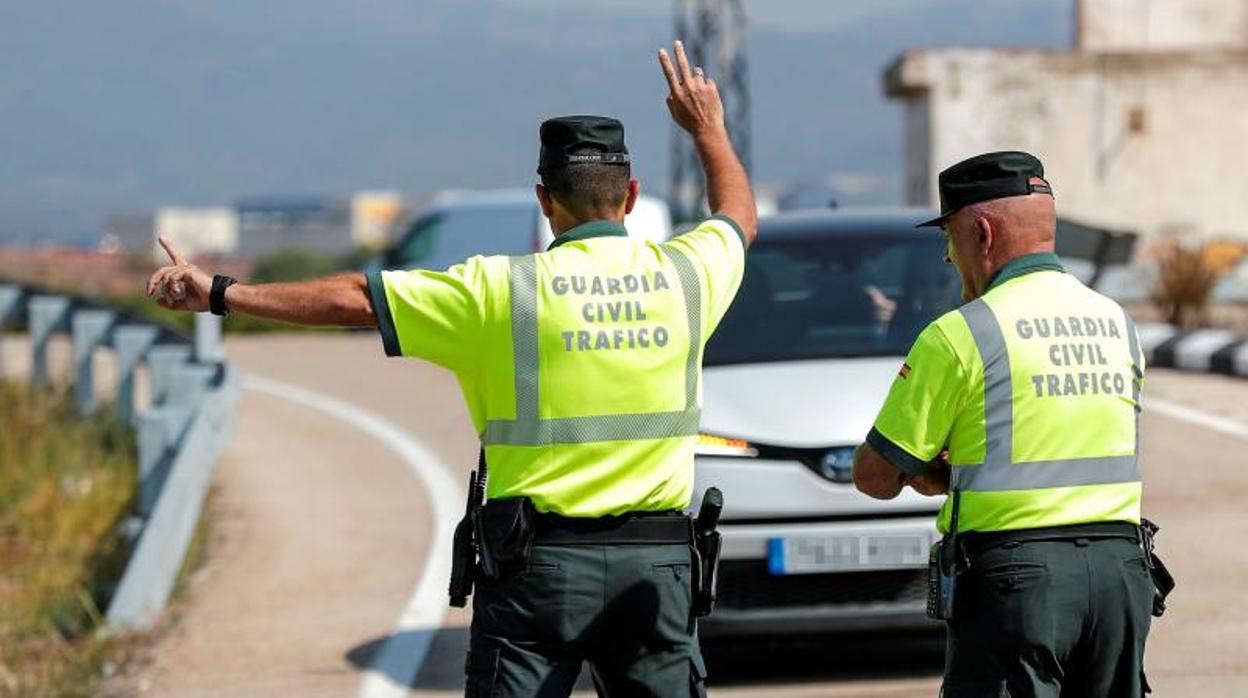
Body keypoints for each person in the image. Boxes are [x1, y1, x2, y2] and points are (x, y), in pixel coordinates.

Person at [146, 40, 756, 698]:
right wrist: (709, 129)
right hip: (656, 571)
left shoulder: (497, 291)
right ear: (631, 196)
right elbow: (737, 219)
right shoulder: (690, 275)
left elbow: (356, 298)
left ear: (543, 199)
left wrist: (218, 292)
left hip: (538, 572)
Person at [850, 152, 1155, 696]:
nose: (948, 257)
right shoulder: (1119, 324)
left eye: (950, 237)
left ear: (982, 233)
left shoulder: (961, 334)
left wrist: (934, 475)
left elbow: (875, 476)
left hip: (1019, 580)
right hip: (1121, 574)